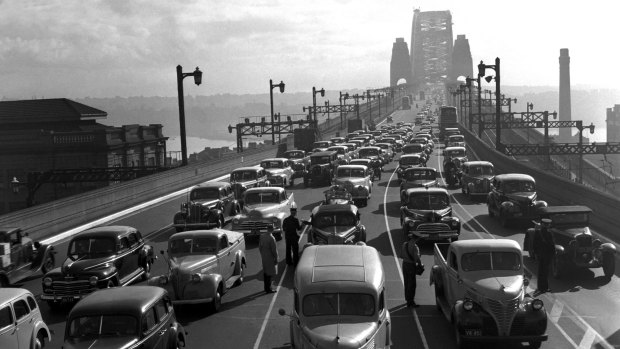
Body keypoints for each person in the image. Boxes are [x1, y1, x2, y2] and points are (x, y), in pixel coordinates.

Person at [534, 218, 555, 294]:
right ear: (548, 225)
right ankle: (545, 288)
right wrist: (553, 254)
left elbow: (534, 244)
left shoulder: (538, 232)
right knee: (546, 272)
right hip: (547, 255)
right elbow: (552, 245)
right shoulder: (549, 233)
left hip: (540, 255)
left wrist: (536, 254)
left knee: (540, 271)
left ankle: (540, 288)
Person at [402, 234, 422, 307]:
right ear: (416, 239)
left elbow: (401, 255)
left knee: (406, 282)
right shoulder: (415, 246)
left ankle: (407, 299)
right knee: (412, 284)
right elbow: (417, 258)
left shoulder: (405, 244)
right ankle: (411, 302)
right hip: (411, 265)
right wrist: (420, 264)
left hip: (404, 264)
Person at [259, 224, 279, 294]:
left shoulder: (262, 236)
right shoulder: (271, 238)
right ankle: (268, 289)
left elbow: (260, 247)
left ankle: (266, 287)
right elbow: (274, 250)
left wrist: (262, 254)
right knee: (270, 273)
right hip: (270, 257)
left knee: (265, 272)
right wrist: (276, 258)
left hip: (264, 256)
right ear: (272, 229)